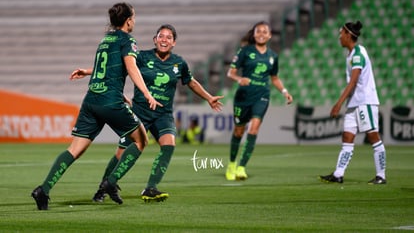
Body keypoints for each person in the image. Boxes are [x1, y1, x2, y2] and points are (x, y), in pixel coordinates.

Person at [31, 2, 161, 210]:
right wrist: (146, 94)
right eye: (133, 18)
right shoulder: (128, 40)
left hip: (92, 99)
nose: (134, 21)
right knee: (141, 140)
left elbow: (108, 67)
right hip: (110, 100)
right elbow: (131, 67)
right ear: (128, 20)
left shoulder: (105, 40)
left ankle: (43, 190)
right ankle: (111, 181)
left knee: (74, 149)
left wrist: (87, 71)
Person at [75, 24, 223, 203]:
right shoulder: (142, 56)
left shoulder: (179, 63)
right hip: (140, 112)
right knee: (121, 153)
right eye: (161, 36)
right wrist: (88, 72)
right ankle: (103, 188)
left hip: (163, 115)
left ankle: (151, 187)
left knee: (169, 144)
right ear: (155, 39)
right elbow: (119, 68)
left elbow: (190, 82)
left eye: (169, 37)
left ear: (174, 42)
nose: (164, 40)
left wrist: (208, 97)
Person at [319, 20, 386, 184]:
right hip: (354, 103)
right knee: (347, 137)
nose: (339, 36)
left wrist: (338, 103)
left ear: (349, 35)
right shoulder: (351, 54)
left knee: (373, 137)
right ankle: (338, 174)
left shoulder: (357, 54)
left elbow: (354, 81)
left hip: (365, 101)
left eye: (341, 33)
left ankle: (381, 175)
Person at [225, 21, 293, 181]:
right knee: (238, 131)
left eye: (265, 31)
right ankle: (232, 164)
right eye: (258, 31)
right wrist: (239, 79)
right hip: (243, 97)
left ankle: (241, 167)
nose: (261, 34)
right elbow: (231, 72)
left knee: (254, 129)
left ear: (269, 35)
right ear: (254, 34)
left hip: (262, 95)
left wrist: (285, 91)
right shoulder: (245, 51)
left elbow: (274, 78)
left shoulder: (273, 57)